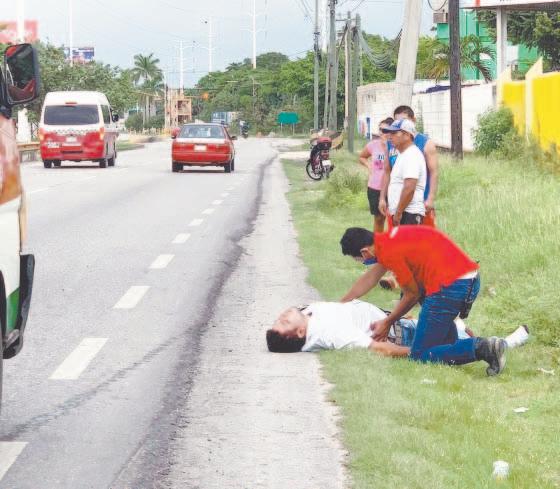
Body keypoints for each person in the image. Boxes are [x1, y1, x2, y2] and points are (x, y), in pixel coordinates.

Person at [339, 226, 514, 376]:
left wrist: (387, 322)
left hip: (451, 286)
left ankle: (484, 348)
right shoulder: (389, 239)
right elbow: (370, 278)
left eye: (359, 260)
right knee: (441, 346)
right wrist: (340, 305)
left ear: (365, 252)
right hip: (465, 279)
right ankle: (458, 348)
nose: (364, 263)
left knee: (419, 355)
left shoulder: (389, 251)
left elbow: (412, 295)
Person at [266, 300, 529, 355]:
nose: (283, 314)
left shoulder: (308, 315)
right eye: (285, 321)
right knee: (458, 338)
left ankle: (470, 333)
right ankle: (504, 344)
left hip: (396, 321)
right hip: (403, 335)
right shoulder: (330, 333)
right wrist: (417, 353)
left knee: (458, 327)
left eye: (279, 318)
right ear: (300, 333)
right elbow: (377, 348)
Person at [393, 105, 438, 224]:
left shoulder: (426, 143)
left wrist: (430, 198)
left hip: (419, 203)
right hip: (398, 203)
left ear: (413, 120)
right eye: (397, 122)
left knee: (423, 234)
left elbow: (434, 172)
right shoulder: (394, 143)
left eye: (404, 121)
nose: (401, 125)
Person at [378, 119, 426, 226]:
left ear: (407, 135)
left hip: (409, 214)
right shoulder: (402, 154)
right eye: (389, 133)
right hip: (403, 213)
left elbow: (409, 188)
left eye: (394, 133)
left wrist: (398, 213)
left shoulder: (412, 155)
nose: (390, 136)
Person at [358, 118, 392, 233]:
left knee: (394, 219)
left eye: (385, 130)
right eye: (380, 130)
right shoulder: (373, 145)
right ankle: (378, 242)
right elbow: (362, 157)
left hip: (393, 188)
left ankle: (394, 242)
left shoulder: (396, 147)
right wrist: (369, 166)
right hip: (375, 187)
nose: (381, 133)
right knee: (379, 218)